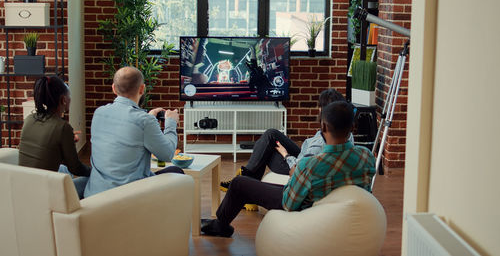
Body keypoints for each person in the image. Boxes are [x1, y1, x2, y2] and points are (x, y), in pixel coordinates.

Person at [201, 101, 376, 237]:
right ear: (352, 128)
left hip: (305, 206)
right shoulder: (366, 156)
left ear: (323, 127)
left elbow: (290, 203)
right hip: (337, 207)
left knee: (239, 184)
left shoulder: (311, 165)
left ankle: (221, 225)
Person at [220, 88, 351, 191]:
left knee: (266, 151)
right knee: (271, 134)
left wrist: (285, 154)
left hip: (295, 164)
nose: (318, 109)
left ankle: (244, 182)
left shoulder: (318, 144)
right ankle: (246, 178)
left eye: (320, 106)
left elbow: (299, 168)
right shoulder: (345, 133)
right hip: (304, 156)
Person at [84, 66, 183, 197]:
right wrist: (171, 123)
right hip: (128, 198)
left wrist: (150, 118)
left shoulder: (99, 113)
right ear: (142, 89)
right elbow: (167, 154)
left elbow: (125, 131)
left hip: (95, 195)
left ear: (113, 88)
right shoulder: (144, 121)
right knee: (177, 172)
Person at [19, 76, 90, 199]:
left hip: (25, 187)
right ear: (63, 100)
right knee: (89, 181)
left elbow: (47, 150)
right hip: (46, 194)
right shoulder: (62, 127)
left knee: (63, 169)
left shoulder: (29, 119)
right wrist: (94, 172)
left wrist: (65, 143)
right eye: (69, 96)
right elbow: (76, 168)